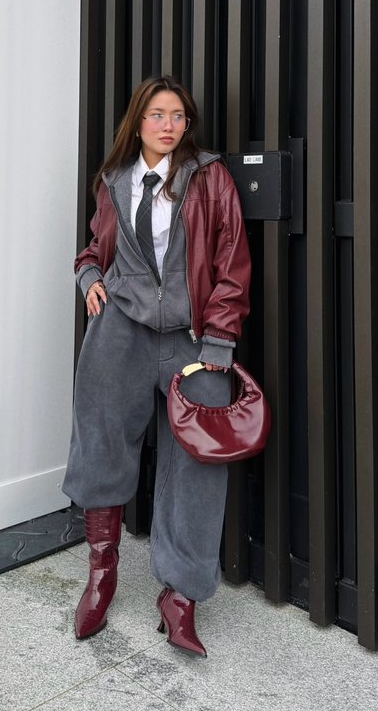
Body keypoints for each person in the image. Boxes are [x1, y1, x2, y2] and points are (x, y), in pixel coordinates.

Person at [62, 74, 251, 657]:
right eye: (156, 115)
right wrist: (90, 277)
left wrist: (218, 344)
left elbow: (231, 261)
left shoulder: (210, 178)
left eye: (177, 116)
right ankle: (101, 571)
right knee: (101, 442)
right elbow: (96, 247)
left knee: (196, 465)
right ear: (137, 121)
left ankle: (181, 596)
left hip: (194, 342)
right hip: (120, 331)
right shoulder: (114, 181)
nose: (167, 125)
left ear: (186, 125)